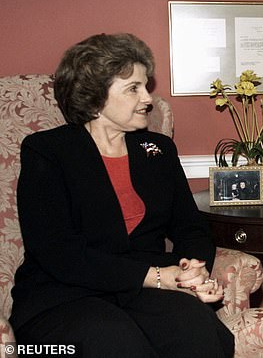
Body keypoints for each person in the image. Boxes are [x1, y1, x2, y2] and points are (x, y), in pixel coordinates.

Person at [10, 33, 234, 357]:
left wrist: (192, 268)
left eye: (146, 86)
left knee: (198, 331)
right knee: (115, 342)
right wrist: (156, 276)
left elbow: (190, 228)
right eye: (133, 88)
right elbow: (57, 251)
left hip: (143, 293)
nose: (147, 98)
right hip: (65, 295)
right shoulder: (47, 151)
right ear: (95, 97)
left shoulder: (157, 150)